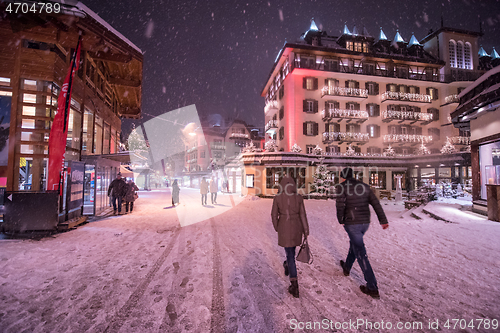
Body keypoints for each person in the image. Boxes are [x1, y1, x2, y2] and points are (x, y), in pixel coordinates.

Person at [336, 167, 389, 299]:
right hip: (365, 223)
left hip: (352, 223)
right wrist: (383, 220)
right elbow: (375, 203)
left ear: (343, 177)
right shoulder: (364, 186)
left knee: (361, 253)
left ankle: (372, 287)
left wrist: (341, 220)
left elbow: (340, 205)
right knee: (355, 244)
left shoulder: (342, 187)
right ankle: (347, 267)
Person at [271, 176, 309, 298]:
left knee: (290, 254)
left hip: (284, 227)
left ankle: (294, 284)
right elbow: (303, 214)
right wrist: (305, 229)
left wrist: (278, 227)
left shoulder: (277, 198)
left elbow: (273, 215)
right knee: (291, 250)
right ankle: (288, 264)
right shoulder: (298, 197)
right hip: (296, 227)